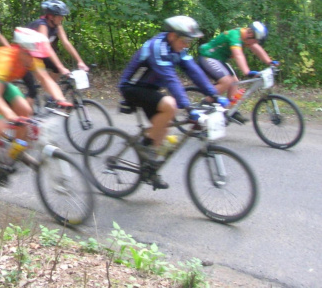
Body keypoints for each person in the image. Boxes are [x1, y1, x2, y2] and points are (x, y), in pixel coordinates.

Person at [118, 16, 228, 189]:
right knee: (171, 105)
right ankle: (145, 145)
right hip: (131, 87)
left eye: (189, 41)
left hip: (150, 89)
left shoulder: (177, 48)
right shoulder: (157, 48)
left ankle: (150, 168)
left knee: (165, 128)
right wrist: (187, 106)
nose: (187, 44)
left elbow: (194, 72)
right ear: (172, 36)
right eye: (185, 40)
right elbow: (170, 78)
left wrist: (214, 94)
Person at [0, 27, 72, 178]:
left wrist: (60, 99)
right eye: (32, 55)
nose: (35, 60)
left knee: (25, 111)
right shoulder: (5, 60)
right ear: (22, 50)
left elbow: (45, 79)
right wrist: (10, 116)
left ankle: (15, 151)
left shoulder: (30, 58)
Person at [198, 21, 277, 124]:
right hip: (207, 56)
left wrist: (269, 62)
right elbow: (238, 55)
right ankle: (206, 102)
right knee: (226, 81)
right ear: (250, 34)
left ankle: (231, 111)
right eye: (255, 41)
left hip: (218, 59)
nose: (254, 44)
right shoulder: (235, 36)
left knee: (234, 82)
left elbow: (257, 49)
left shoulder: (247, 37)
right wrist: (247, 72)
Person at [22, 0, 89, 105]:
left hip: (37, 53)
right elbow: (46, 47)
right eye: (59, 16)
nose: (62, 18)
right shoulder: (42, 25)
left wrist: (80, 61)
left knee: (56, 69)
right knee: (33, 92)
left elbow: (66, 43)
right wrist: (62, 67)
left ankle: (50, 94)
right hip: (25, 55)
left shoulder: (57, 25)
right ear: (51, 16)